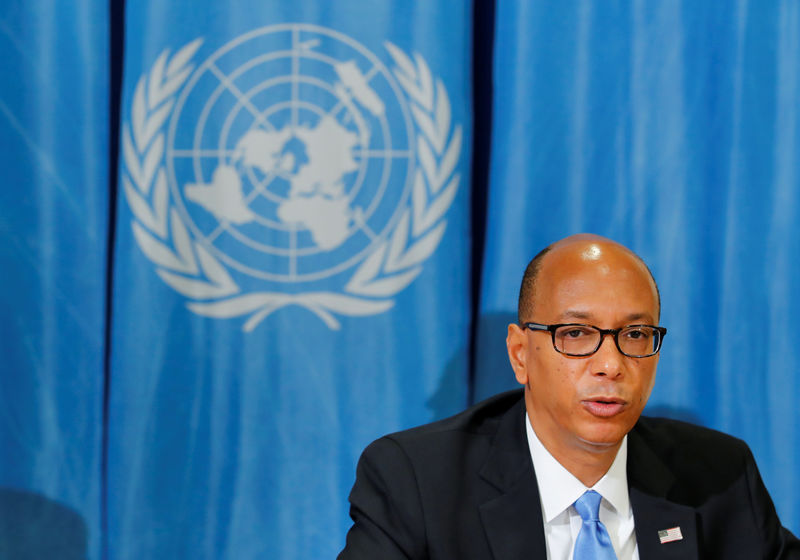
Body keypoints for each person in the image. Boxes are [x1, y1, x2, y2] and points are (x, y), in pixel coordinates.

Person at [338, 234, 800, 559]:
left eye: (635, 334)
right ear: (521, 355)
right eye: (576, 333)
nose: (611, 364)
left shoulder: (719, 476)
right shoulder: (417, 482)